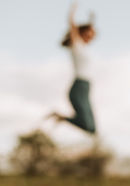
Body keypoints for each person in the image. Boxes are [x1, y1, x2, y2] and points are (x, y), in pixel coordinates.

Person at [49, 2, 96, 134]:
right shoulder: (76, 44)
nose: (91, 37)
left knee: (92, 128)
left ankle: (60, 117)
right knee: (87, 125)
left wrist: (91, 20)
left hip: (86, 88)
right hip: (79, 87)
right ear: (82, 33)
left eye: (93, 35)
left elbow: (87, 29)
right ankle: (60, 117)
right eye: (89, 33)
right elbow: (72, 24)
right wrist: (73, 10)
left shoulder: (84, 48)